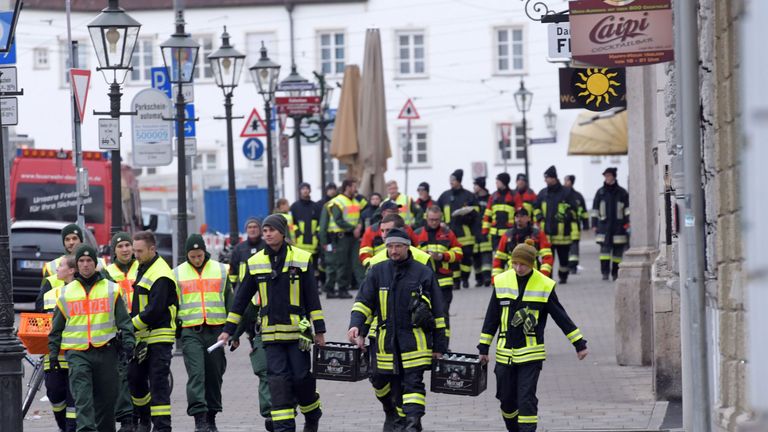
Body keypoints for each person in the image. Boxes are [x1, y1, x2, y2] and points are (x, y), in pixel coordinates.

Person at [219, 214, 326, 432]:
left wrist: (320, 330)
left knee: (301, 379)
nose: (267, 234)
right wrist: (228, 330)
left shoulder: (302, 258)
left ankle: (312, 413)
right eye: (265, 230)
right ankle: (284, 428)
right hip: (270, 337)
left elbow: (312, 298)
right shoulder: (255, 262)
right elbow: (240, 300)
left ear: (282, 232)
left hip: (298, 335)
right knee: (277, 384)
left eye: (271, 230)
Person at [478, 242, 588, 432]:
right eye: (515, 264)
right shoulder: (502, 281)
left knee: (526, 398)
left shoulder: (544, 285)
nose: (518, 268)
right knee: (506, 400)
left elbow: (561, 317)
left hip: (531, 355)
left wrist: (579, 343)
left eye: (523, 265)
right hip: (505, 354)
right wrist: (483, 348)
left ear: (532, 264)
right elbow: (492, 318)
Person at [349, 228, 448, 432]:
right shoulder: (378, 271)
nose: (393, 251)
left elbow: (439, 312)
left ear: (407, 246)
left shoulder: (423, 273)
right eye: (390, 246)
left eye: (398, 246)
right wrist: (356, 325)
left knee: (413, 386)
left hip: (415, 343)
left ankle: (413, 424)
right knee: (386, 384)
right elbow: (364, 302)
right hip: (386, 344)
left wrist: (440, 346)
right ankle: (397, 416)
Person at [48, 244, 135, 432]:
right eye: (81, 261)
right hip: (78, 354)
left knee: (106, 402)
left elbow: (124, 321)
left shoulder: (112, 290)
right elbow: (56, 329)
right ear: (77, 265)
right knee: (83, 399)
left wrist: (129, 344)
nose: (85, 264)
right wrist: (53, 355)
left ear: (95, 264)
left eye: (89, 261)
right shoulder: (66, 293)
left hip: (106, 352)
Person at [173, 234, 232, 431]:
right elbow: (173, 304)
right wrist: (176, 330)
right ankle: (200, 419)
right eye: (192, 256)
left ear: (204, 253)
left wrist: (233, 330)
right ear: (186, 255)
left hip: (216, 332)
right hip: (191, 332)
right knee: (196, 374)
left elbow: (230, 300)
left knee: (214, 375)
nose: (196, 259)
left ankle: (212, 416)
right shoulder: (178, 273)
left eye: (199, 255)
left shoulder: (220, 269)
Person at [225, 219, 272, 431]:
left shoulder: (265, 249)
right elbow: (234, 272)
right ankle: (271, 413)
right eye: (250, 228)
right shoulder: (239, 249)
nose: (253, 231)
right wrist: (233, 335)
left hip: (273, 316)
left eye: (256, 228)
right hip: (249, 298)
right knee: (264, 367)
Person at [128, 231, 179, 432]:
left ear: (152, 249)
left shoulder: (161, 273)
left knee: (158, 385)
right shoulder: (144, 266)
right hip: (143, 337)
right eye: (134, 251)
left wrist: (130, 326)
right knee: (135, 378)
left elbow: (155, 310)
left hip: (159, 336)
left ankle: (162, 427)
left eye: (139, 251)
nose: (136, 255)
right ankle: (144, 417)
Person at [103, 232, 140, 431]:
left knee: (139, 376)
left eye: (128, 245)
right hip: (120, 330)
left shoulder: (141, 266)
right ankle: (127, 419)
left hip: (142, 327)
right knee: (123, 375)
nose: (125, 249)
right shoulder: (108, 272)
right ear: (114, 250)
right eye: (120, 246)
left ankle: (141, 415)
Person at [37, 254, 76, 432]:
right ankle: (63, 426)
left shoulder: (81, 292)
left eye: (60, 266)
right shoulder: (50, 294)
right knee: (54, 394)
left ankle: (71, 428)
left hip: (75, 353)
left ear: (71, 270)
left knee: (73, 399)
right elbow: (42, 320)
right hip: (53, 354)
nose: (57, 269)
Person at [413, 206, 463, 344]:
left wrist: (442, 256)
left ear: (440, 218)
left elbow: (459, 253)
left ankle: (443, 346)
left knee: (443, 316)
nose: (434, 222)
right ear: (426, 218)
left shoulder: (448, 233)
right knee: (423, 315)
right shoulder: (417, 234)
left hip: (443, 283)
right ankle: (429, 344)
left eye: (436, 220)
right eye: (431, 219)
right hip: (423, 284)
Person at [437, 169, 482, 289]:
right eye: (450, 180)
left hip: (466, 233)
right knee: (453, 258)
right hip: (449, 232)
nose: (451, 182)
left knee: (467, 257)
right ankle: (456, 281)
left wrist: (467, 216)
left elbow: (477, 214)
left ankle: (465, 279)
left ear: (459, 181)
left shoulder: (468, 196)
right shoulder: (445, 196)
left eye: (453, 180)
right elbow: (436, 210)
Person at [533, 166, 578, 285]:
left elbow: (574, 210)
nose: (545, 180)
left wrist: (566, 215)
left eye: (547, 178)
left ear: (553, 178)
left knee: (563, 259)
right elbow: (535, 207)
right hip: (547, 234)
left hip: (563, 234)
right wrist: (539, 217)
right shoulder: (543, 193)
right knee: (548, 258)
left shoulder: (566, 192)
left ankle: (563, 276)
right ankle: (548, 278)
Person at [320, 179, 363, 299]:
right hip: (340, 237)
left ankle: (343, 288)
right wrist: (353, 228)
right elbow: (338, 220)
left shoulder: (355, 201)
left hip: (352, 237)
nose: (356, 189)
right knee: (341, 264)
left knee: (351, 263)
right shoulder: (337, 202)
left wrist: (359, 226)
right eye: (354, 186)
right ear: (347, 187)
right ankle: (339, 289)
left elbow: (359, 217)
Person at [591, 167, 630, 281]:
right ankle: (605, 272)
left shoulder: (622, 193)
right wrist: (594, 224)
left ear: (613, 176)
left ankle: (615, 273)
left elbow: (627, 209)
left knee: (618, 254)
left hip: (619, 227)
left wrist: (628, 222)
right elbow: (595, 210)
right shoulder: (600, 192)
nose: (606, 178)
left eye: (608, 175)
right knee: (604, 253)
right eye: (605, 176)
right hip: (604, 227)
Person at [492, 209, 553, 279]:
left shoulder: (538, 234)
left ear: (528, 218)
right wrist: (496, 279)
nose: (519, 219)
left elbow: (547, 256)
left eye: (522, 216)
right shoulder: (507, 235)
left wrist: (544, 275)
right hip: (512, 276)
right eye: (517, 216)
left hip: (533, 275)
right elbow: (499, 258)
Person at [563, 175, 590, 274]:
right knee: (565, 246)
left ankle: (573, 266)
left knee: (574, 247)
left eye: (566, 181)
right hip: (563, 226)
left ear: (570, 182)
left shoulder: (578, 196)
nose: (564, 182)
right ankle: (566, 265)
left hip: (574, 225)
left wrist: (586, 224)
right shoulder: (561, 194)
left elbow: (583, 211)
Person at [483, 173, 517, 251]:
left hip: (509, 233)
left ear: (503, 182)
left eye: (498, 181)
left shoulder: (514, 195)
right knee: (497, 257)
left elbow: (519, 213)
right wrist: (485, 231)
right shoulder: (493, 196)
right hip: (495, 235)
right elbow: (488, 214)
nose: (496, 183)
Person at [229, 217, 266, 286]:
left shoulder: (267, 246)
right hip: (243, 288)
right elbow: (233, 273)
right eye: (250, 227)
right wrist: (234, 289)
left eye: (255, 227)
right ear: (246, 230)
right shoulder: (239, 249)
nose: (252, 230)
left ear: (260, 229)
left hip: (263, 287)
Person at [291, 183, 322, 260]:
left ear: (310, 190)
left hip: (314, 244)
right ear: (300, 191)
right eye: (303, 189)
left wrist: (317, 234)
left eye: (307, 188)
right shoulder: (294, 207)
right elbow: (291, 223)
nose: (305, 190)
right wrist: (297, 232)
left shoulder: (316, 206)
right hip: (299, 244)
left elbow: (320, 222)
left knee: (313, 269)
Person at [473, 177, 493, 287]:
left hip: (486, 231)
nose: (474, 187)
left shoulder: (489, 198)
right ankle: (478, 279)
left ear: (480, 186)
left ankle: (486, 278)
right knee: (476, 256)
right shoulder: (472, 199)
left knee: (486, 256)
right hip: (474, 231)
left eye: (475, 185)